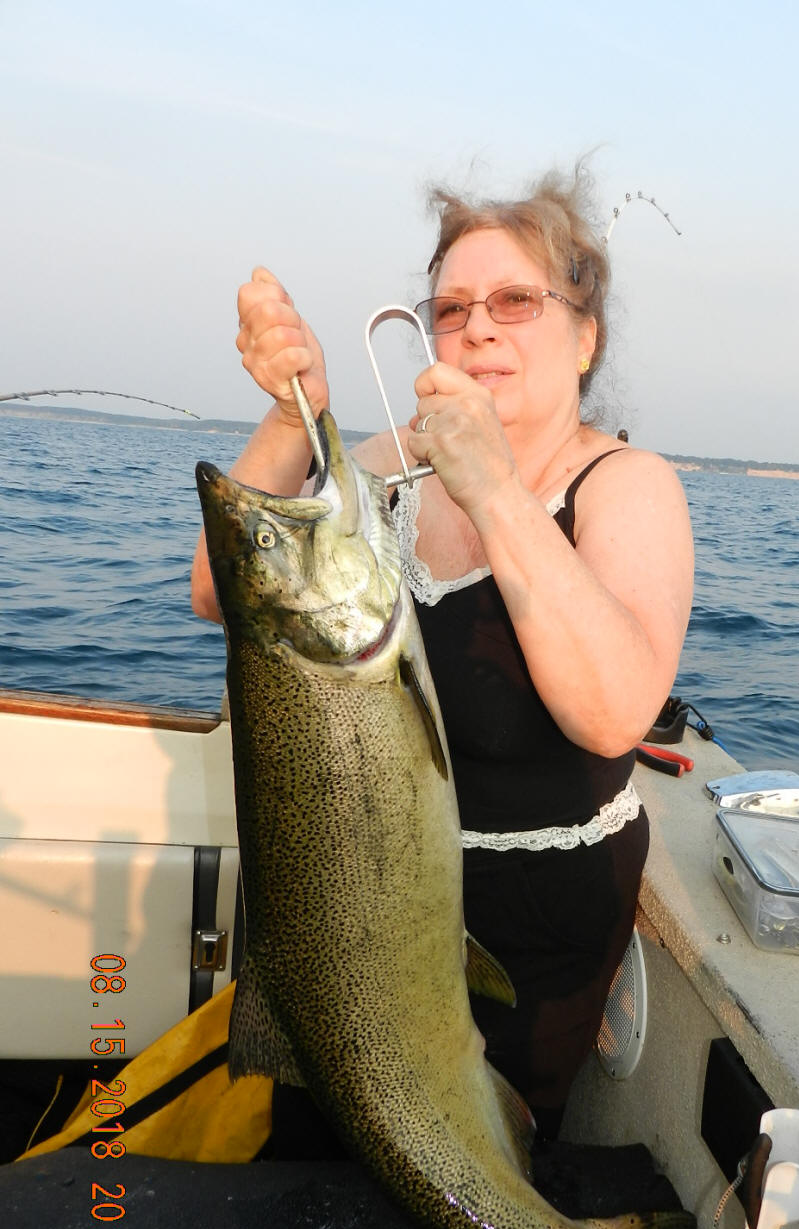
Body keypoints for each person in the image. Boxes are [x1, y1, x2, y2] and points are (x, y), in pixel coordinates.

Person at [192, 168, 694, 1140]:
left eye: (516, 301)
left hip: (530, 940)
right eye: (453, 308)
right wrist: (295, 416)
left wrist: (494, 489)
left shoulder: (629, 484)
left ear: (584, 337)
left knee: (466, 1170)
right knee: (318, 1159)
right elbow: (223, 591)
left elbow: (614, 712)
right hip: (349, 902)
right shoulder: (387, 463)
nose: (479, 329)